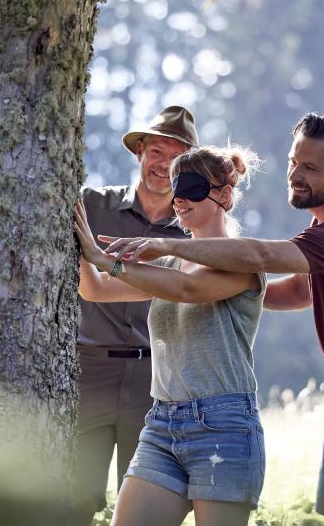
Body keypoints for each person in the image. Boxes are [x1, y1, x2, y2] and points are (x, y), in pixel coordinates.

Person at [102, 113, 324, 526]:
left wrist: (168, 248)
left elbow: (261, 257)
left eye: (309, 167)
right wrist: (237, 292)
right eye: (293, 162)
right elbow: (300, 291)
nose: (294, 174)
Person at [74, 144, 266, 526]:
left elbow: (186, 289)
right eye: (177, 188)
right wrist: (80, 239)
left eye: (193, 188)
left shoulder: (243, 260)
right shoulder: (166, 263)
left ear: (225, 195)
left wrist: (105, 259)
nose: (179, 199)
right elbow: (95, 290)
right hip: (162, 423)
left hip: (223, 425)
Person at [73, 106, 199, 525]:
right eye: (157, 152)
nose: (164, 165)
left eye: (177, 157)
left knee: (142, 502)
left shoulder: (192, 234)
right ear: (140, 152)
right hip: (87, 370)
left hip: (155, 379)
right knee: (72, 496)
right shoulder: (92, 204)